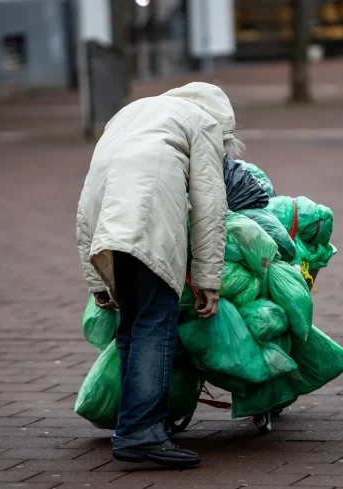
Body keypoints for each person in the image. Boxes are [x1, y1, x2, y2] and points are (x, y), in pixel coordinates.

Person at [76, 82, 241, 468]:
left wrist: (96, 278)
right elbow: (208, 206)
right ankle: (142, 432)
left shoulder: (130, 114)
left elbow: (87, 201)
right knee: (155, 322)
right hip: (151, 218)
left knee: (132, 323)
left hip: (109, 220)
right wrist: (207, 279)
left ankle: (135, 425)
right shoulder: (201, 122)